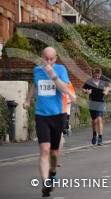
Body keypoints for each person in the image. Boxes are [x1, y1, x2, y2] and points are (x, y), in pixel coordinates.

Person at [23, 47, 70, 197]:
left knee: (54, 153)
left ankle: (53, 172)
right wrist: (28, 100)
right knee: (44, 150)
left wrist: (53, 75)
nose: (49, 61)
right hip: (41, 115)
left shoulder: (61, 69)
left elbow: (64, 90)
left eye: (52, 59)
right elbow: (35, 85)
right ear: (41, 57)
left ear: (55, 59)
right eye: (46, 59)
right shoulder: (37, 70)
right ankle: (46, 184)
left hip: (57, 115)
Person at [82, 68, 110, 146]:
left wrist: (106, 91)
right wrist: (87, 91)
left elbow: (108, 87)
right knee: (94, 121)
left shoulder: (103, 81)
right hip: (92, 103)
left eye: (99, 75)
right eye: (96, 75)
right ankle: (94, 134)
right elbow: (83, 89)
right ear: (93, 74)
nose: (97, 77)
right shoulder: (89, 82)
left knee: (99, 119)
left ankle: (100, 138)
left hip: (100, 102)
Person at [58, 82, 76, 167]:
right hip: (49, 113)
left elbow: (72, 99)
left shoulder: (68, 83)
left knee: (59, 136)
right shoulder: (49, 80)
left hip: (64, 113)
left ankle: (56, 159)